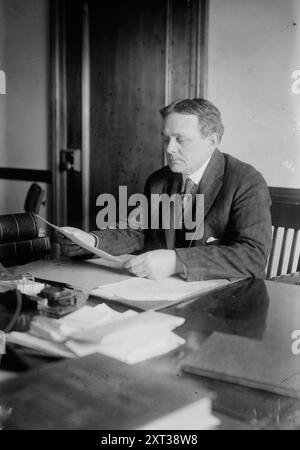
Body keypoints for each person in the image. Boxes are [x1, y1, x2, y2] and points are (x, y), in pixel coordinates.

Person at [60, 98, 272, 281]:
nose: (169, 149)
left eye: (181, 139)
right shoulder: (159, 181)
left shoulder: (246, 181)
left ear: (212, 141)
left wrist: (176, 261)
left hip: (226, 301)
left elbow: (253, 256)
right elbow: (139, 233)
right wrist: (91, 242)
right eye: (166, 139)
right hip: (165, 292)